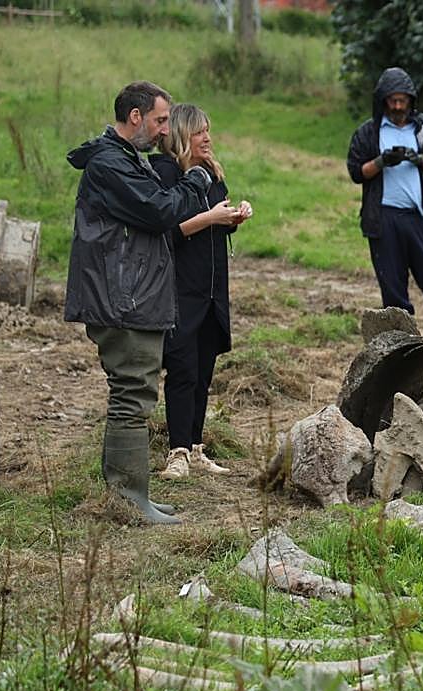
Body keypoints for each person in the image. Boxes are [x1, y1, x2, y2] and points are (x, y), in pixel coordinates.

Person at [64, 81, 213, 525]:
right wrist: (196, 178)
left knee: (132, 392)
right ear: (135, 117)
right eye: (160, 120)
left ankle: (128, 494)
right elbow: (161, 210)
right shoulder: (112, 164)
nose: (166, 130)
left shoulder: (124, 160)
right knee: (132, 393)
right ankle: (129, 500)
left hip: (130, 295)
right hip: (121, 299)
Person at [149, 103, 252, 480]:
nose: (207, 138)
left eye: (208, 130)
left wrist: (233, 217)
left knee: (204, 371)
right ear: (180, 135)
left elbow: (216, 224)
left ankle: (195, 448)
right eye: (199, 132)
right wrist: (211, 217)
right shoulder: (165, 174)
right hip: (179, 291)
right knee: (182, 370)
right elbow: (168, 233)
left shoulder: (210, 174)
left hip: (212, 291)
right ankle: (176, 453)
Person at [346, 66, 423, 335]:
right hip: (383, 219)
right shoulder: (369, 132)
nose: (398, 106)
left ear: (411, 100)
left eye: (403, 100)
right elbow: (356, 172)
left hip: (422, 218)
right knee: (393, 288)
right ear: (383, 100)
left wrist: (419, 158)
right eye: (392, 100)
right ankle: (403, 346)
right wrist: (381, 161)